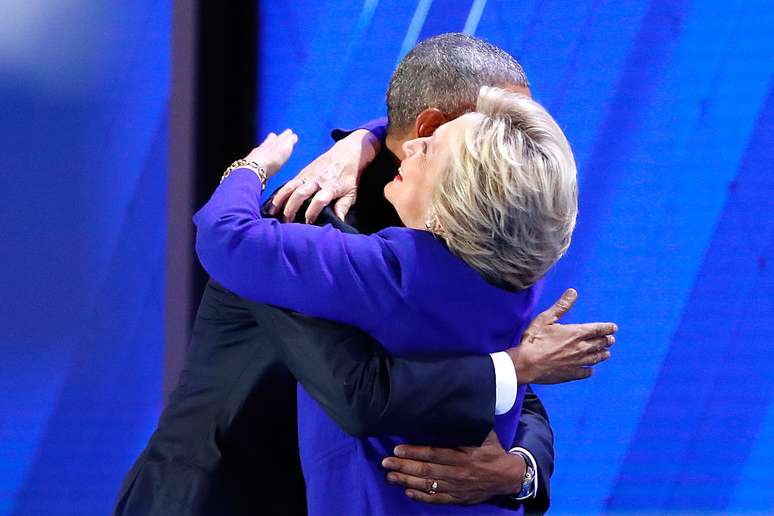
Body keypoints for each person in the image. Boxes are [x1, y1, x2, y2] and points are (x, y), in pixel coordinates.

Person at [114, 34, 616, 516]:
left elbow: (514, 389)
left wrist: (517, 472)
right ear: (431, 128)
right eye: (500, 126)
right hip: (222, 499)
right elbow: (360, 394)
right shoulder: (311, 218)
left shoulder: (484, 227)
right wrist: (516, 364)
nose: (516, 146)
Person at [193, 85, 579, 515]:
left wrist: (252, 168)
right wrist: (367, 138)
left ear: (457, 195)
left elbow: (224, 236)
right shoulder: (523, 281)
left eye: (429, 150)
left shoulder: (391, 271)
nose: (412, 146)